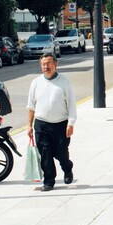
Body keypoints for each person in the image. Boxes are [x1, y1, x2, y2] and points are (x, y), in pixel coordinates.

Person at [27, 52, 76, 191]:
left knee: (61, 153)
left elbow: (72, 104)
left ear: (55, 64)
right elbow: (31, 106)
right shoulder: (36, 83)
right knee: (45, 153)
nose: (46, 67)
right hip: (41, 124)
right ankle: (49, 181)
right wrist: (29, 125)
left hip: (61, 124)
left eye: (48, 63)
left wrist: (71, 123)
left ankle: (67, 168)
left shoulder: (64, 82)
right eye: (43, 64)